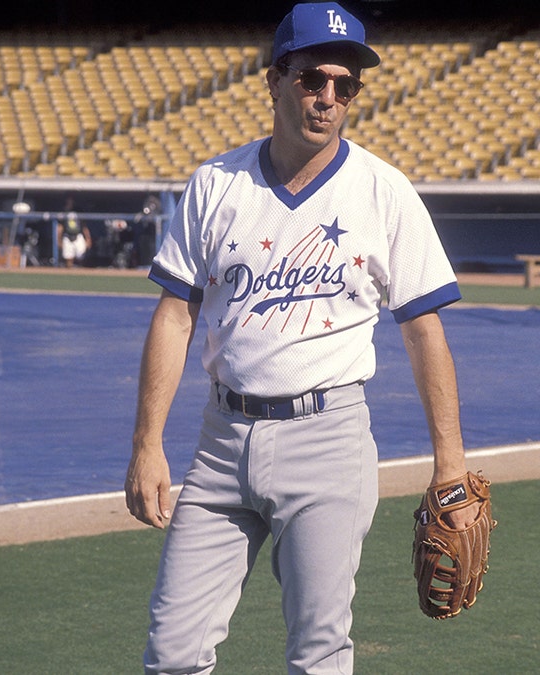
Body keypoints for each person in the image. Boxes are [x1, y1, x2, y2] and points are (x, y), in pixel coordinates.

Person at [123, 4, 479, 673]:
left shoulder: (383, 191)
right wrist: (147, 445)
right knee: (172, 651)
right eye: (314, 78)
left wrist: (450, 465)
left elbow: (425, 330)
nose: (329, 97)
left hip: (329, 438)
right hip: (221, 441)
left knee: (318, 652)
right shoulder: (216, 185)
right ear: (274, 80)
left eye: (346, 86)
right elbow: (175, 316)